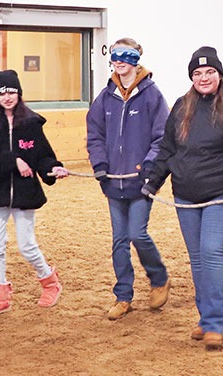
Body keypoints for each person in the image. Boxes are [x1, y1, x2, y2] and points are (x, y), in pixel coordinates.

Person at [141, 46, 223, 351]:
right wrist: (152, 181)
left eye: (209, 72)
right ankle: (205, 317)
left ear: (219, 74)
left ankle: (214, 324)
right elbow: (167, 151)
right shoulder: (181, 107)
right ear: (191, 78)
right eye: (197, 73)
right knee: (197, 258)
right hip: (186, 195)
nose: (203, 77)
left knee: (211, 251)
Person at [86, 37, 171, 320]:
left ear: (136, 59)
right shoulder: (105, 97)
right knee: (119, 240)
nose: (118, 61)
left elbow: (162, 137)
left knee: (137, 233)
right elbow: (95, 133)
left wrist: (148, 166)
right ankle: (123, 296)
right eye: (114, 56)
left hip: (140, 182)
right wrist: (99, 163)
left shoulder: (152, 95)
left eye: (125, 56)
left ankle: (158, 278)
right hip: (113, 182)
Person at [0, 69, 68, 316]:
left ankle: (50, 282)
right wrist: (13, 161)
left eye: (12, 92)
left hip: (25, 194)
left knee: (26, 245)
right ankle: (0, 296)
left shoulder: (31, 123)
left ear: (19, 93)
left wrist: (52, 168)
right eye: (3, 93)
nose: (7, 97)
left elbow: (43, 156)